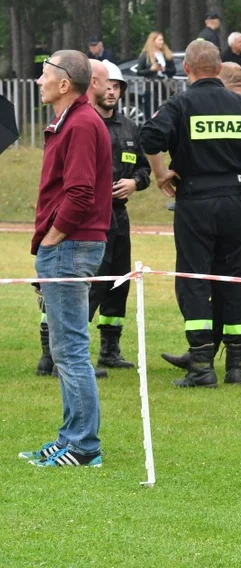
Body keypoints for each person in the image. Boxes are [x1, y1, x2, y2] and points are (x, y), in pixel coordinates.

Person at [139, 40, 241, 388]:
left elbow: (149, 137)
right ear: (219, 69)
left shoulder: (180, 104)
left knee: (193, 279)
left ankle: (202, 365)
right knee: (235, 279)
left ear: (187, 69)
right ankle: (236, 364)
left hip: (195, 201)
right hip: (236, 203)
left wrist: (160, 174)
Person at [20, 50, 112, 468]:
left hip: (70, 247)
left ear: (64, 84)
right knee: (65, 349)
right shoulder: (67, 123)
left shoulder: (80, 124)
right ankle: (70, 437)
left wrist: (52, 241)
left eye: (45, 74)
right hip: (69, 246)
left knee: (71, 350)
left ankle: (82, 446)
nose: (38, 80)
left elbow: (79, 194)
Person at [83, 59, 150, 372]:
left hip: (120, 218)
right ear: (95, 86)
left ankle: (110, 349)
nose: (111, 91)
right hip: (92, 217)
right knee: (93, 282)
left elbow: (144, 168)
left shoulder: (128, 128)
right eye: (107, 85)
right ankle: (76, 350)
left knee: (119, 282)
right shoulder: (84, 122)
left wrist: (135, 182)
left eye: (117, 86)